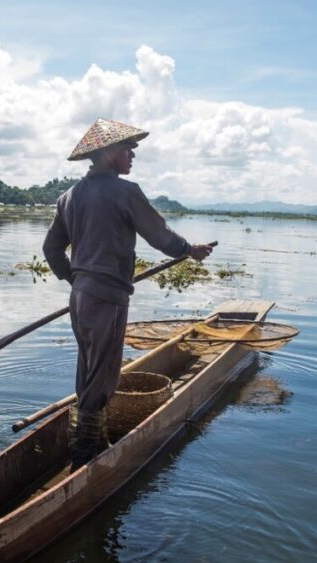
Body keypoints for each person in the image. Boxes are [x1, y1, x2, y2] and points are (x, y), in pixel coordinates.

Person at [43, 118, 213, 469]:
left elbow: (51, 250)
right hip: (107, 299)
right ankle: (85, 456)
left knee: (89, 370)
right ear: (106, 154)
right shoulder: (125, 192)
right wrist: (189, 249)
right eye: (126, 148)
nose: (132, 154)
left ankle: (91, 441)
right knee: (103, 376)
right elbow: (161, 236)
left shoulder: (68, 197)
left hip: (81, 298)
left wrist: (75, 280)